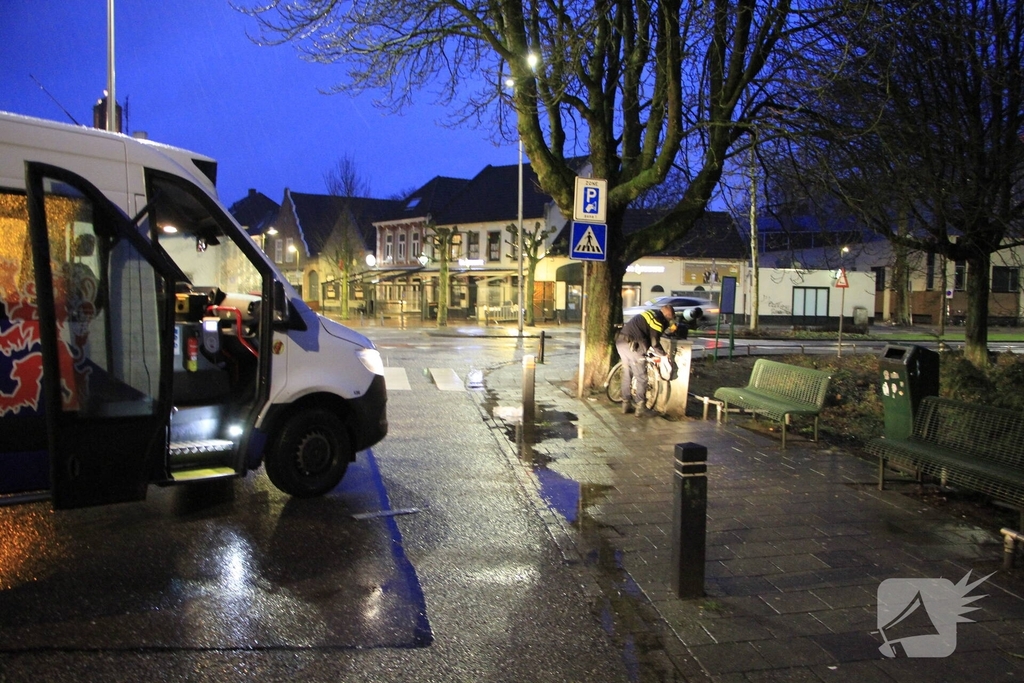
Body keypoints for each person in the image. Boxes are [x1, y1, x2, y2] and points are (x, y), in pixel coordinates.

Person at [615, 304, 676, 417]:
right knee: (641, 377)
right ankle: (640, 407)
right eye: (670, 318)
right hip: (634, 347)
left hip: (621, 342)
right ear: (668, 315)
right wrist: (664, 354)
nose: (670, 321)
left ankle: (625, 404)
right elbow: (654, 342)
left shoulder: (651, 313)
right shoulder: (658, 321)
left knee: (627, 374)